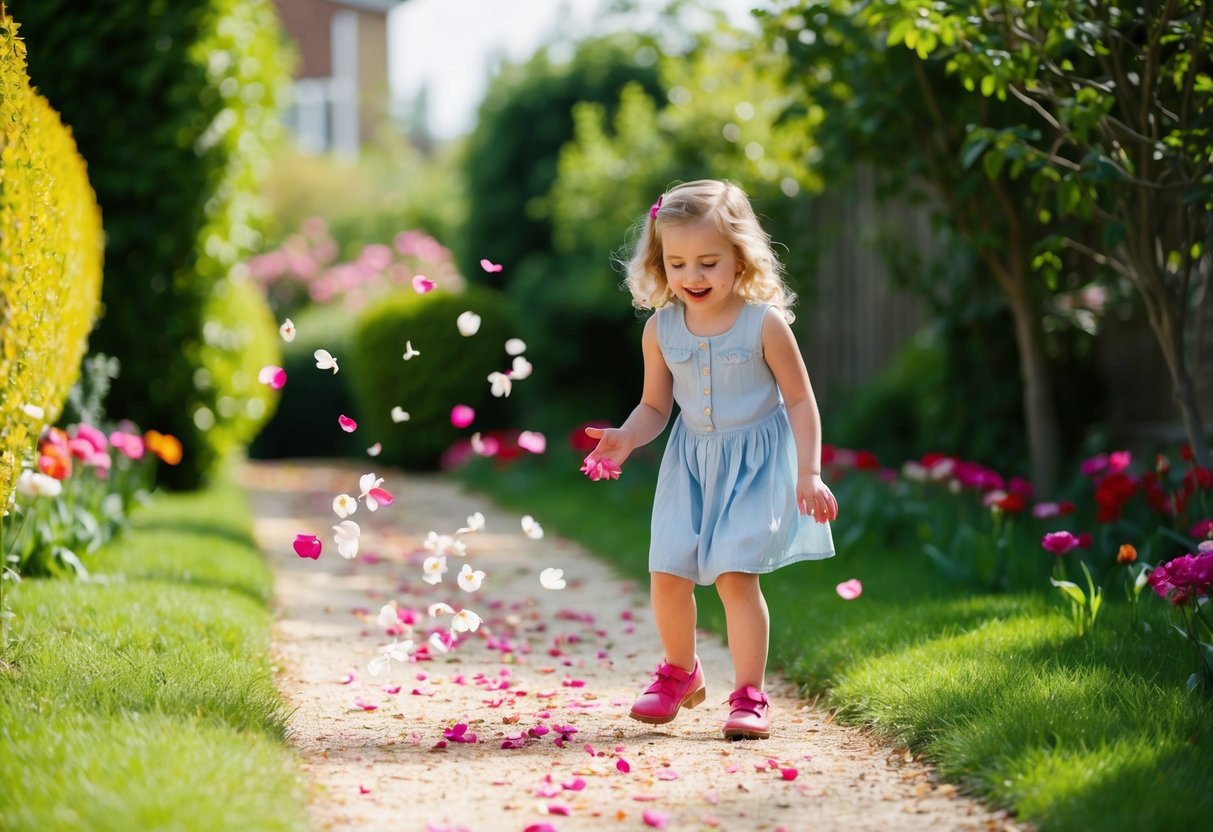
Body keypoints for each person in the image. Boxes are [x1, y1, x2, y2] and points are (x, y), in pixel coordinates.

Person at [583, 179, 838, 740]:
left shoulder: (763, 324)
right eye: (677, 263)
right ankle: (681, 671)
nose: (692, 276)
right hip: (690, 465)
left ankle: (749, 693)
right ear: (660, 264)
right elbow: (655, 405)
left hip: (754, 465)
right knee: (668, 572)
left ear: (739, 260)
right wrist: (627, 435)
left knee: (733, 576)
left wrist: (809, 471)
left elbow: (800, 399)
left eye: (707, 262)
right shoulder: (660, 329)